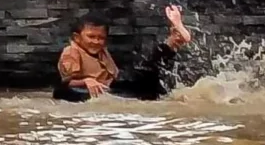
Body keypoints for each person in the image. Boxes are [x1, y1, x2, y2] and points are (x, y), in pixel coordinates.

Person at [53, 6, 194, 103]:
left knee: (152, 72)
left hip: (118, 84)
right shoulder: (71, 52)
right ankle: (173, 41)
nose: (96, 42)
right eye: (91, 37)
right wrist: (86, 81)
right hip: (106, 88)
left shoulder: (101, 51)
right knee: (149, 71)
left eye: (100, 38)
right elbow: (65, 83)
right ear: (77, 38)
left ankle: (174, 41)